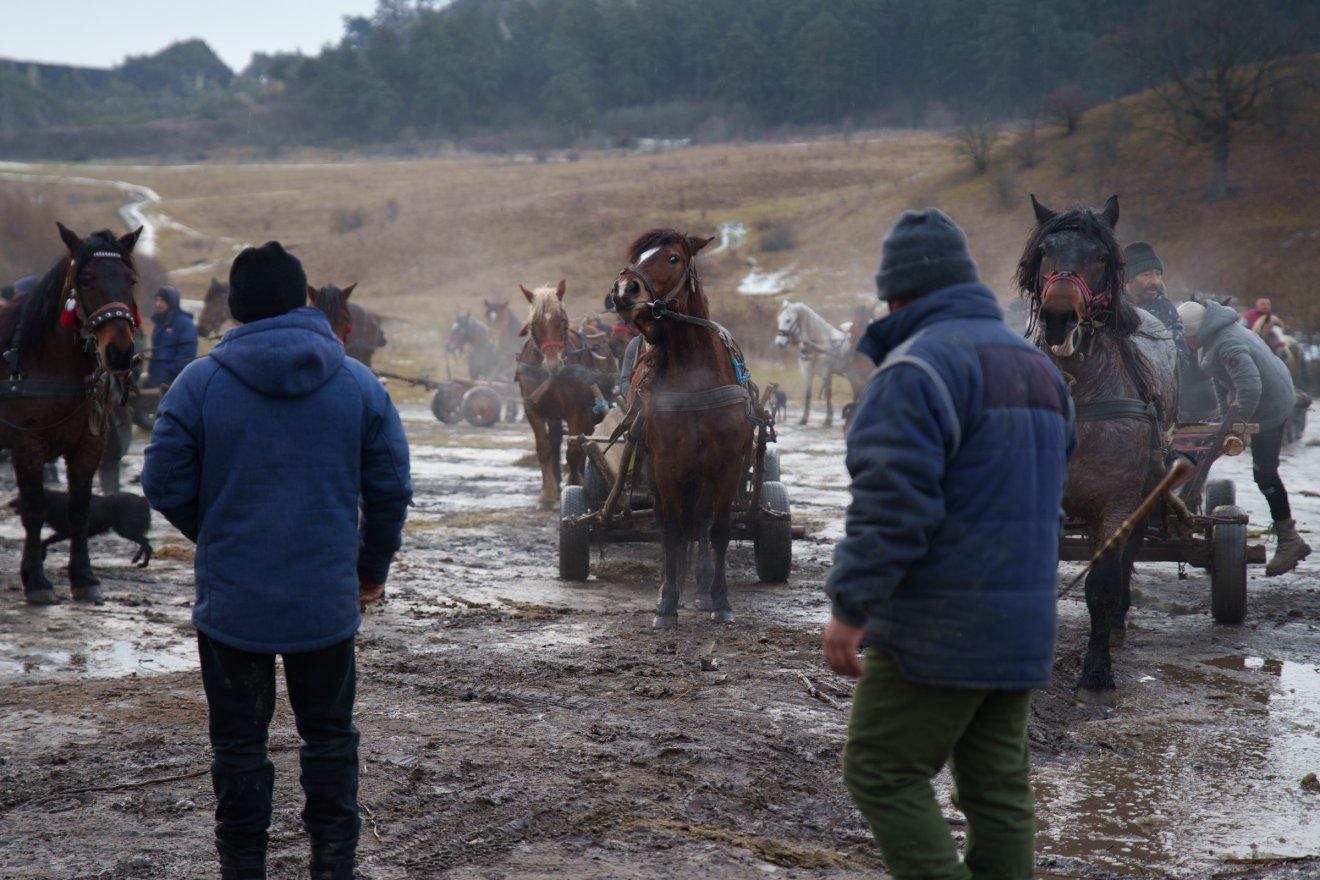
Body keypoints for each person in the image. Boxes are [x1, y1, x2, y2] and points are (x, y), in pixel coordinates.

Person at [141, 242, 413, 880]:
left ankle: (243, 869)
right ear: (305, 301)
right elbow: (391, 488)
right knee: (330, 739)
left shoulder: (198, 382)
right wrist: (371, 568)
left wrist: (219, 532)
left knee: (238, 745)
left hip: (234, 600)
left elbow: (161, 479)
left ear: (235, 308)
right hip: (325, 599)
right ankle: (333, 865)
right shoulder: (357, 381)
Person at [823, 209, 1075, 880]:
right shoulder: (1041, 370)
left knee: (879, 770)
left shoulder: (913, 372)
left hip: (937, 628)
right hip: (1023, 628)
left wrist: (851, 607)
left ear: (900, 296)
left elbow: (891, 508)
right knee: (997, 792)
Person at [1177, 300, 1310, 575]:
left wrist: (1236, 423)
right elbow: (1220, 378)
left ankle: (1289, 539)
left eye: (1184, 335)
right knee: (1224, 452)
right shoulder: (1212, 337)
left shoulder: (1227, 343)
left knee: (1265, 474)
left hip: (1270, 406)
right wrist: (1223, 420)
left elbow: (1249, 388)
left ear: (1192, 332)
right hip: (1267, 394)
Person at [146, 285, 199, 388]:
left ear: (172, 302)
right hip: (155, 380)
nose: (158, 304)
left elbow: (187, 354)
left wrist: (168, 371)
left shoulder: (184, 323)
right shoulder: (159, 322)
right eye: (157, 300)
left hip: (174, 383)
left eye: (163, 300)